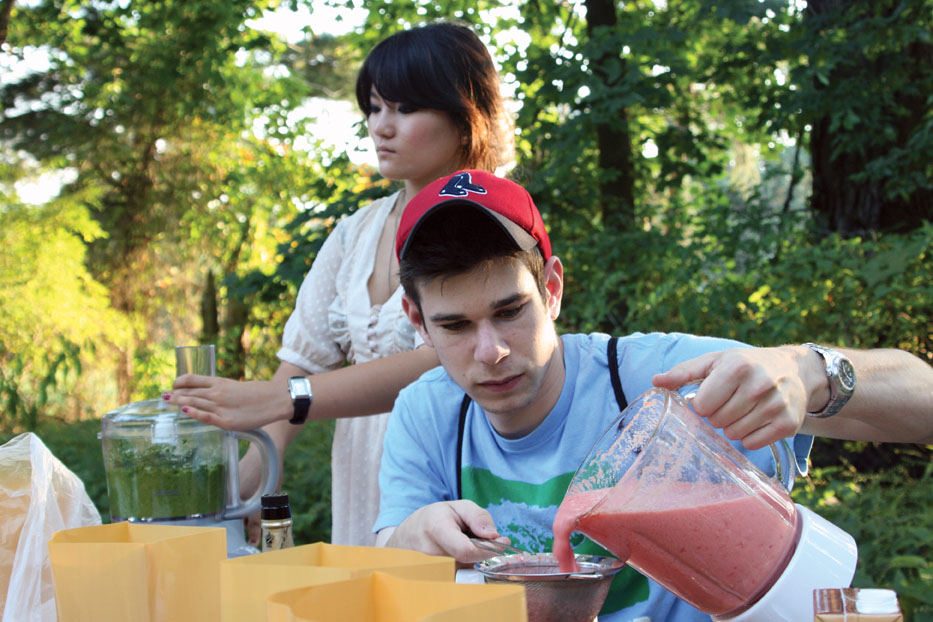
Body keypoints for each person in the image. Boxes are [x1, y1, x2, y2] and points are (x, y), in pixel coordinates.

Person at [374, 169, 933, 621]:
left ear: (552, 289)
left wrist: (808, 371)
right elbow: (384, 573)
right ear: (417, 322)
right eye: (455, 326)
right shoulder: (428, 413)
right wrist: (406, 542)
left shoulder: (659, 380)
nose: (490, 350)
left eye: (509, 310)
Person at [165, 22, 513, 547]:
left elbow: (443, 358)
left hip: (457, 467)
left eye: (404, 108)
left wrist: (284, 398)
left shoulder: (491, 219)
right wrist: (237, 491)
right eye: (374, 108)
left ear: (464, 115)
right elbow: (302, 363)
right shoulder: (357, 232)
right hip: (362, 479)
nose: (381, 127)